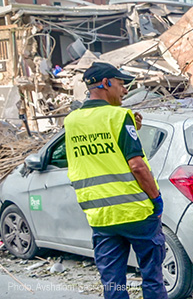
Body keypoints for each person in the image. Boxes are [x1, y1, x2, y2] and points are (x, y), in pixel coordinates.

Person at [65, 62, 167, 299]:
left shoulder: (71, 121)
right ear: (105, 83)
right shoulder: (119, 116)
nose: (124, 91)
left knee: (113, 284)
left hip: (101, 216)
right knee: (152, 279)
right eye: (121, 84)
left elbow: (96, 155)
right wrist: (157, 200)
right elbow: (137, 166)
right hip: (136, 212)